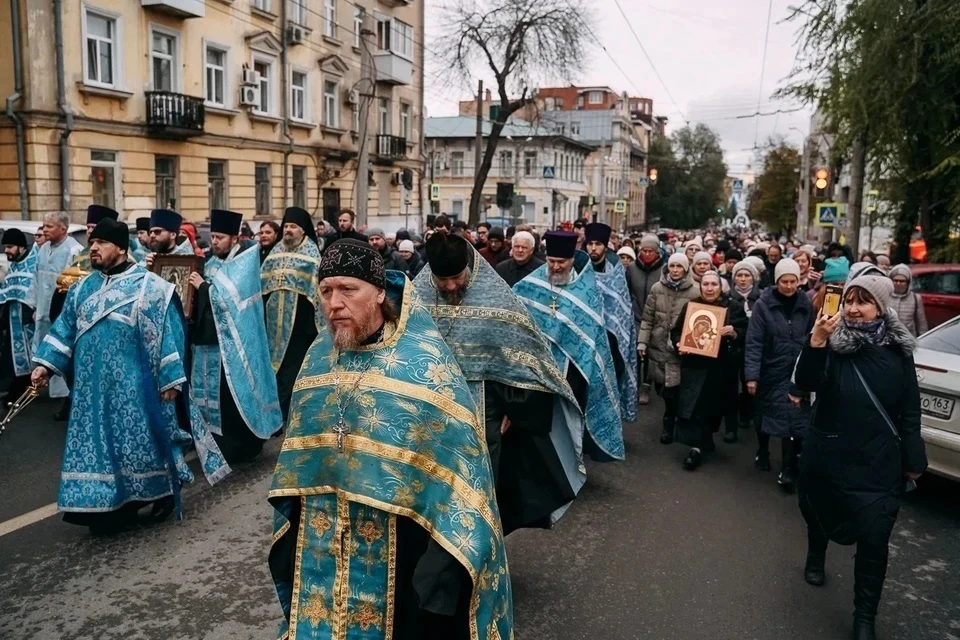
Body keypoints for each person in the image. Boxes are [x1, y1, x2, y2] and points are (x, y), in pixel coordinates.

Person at [268, 239, 513, 639]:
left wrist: (437, 575)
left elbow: (459, 476)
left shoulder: (424, 361)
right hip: (321, 540)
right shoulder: (317, 356)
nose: (334, 303)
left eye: (348, 290)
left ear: (380, 292)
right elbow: (300, 454)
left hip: (401, 549)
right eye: (326, 290)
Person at [31, 219, 229, 534]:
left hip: (134, 393)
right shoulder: (83, 288)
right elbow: (64, 330)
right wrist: (45, 364)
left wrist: (170, 381)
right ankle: (101, 508)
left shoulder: (151, 289)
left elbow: (169, 335)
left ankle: (159, 494)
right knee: (97, 451)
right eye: (91, 243)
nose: (93, 248)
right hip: (89, 394)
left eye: (101, 243)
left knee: (140, 450)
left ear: (121, 248)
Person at [413, 232, 586, 533]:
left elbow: (524, 354)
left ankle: (483, 556)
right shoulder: (416, 298)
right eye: (444, 281)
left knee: (482, 490)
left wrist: (516, 407)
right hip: (429, 413)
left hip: (486, 414)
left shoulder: (497, 298)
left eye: (457, 277)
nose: (452, 286)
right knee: (432, 491)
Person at [793, 274, 926, 640]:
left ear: (880, 307)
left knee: (875, 537)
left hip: (878, 461)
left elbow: (910, 410)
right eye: (849, 300)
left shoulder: (898, 351)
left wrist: (914, 460)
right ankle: (815, 555)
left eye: (862, 301)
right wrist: (817, 341)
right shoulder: (831, 343)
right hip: (831, 453)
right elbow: (804, 384)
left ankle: (864, 617)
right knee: (820, 510)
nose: (852, 308)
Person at [513, 230, 626, 462]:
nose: (555, 267)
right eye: (551, 261)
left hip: (573, 367)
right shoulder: (530, 284)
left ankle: (570, 464)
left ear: (571, 259)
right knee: (540, 420)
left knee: (568, 418)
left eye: (561, 262)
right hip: (539, 367)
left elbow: (593, 330)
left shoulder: (585, 287)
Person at [189, 210, 282, 463]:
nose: (215, 242)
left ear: (234, 238)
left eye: (220, 237)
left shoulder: (245, 261)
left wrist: (204, 287)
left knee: (234, 396)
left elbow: (229, 300)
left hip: (237, 344)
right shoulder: (210, 263)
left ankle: (244, 446)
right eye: (213, 237)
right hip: (211, 343)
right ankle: (217, 445)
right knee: (215, 397)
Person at [744, 258, 815, 488]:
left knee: (793, 420)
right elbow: (754, 341)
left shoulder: (805, 305)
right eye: (784, 281)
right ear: (777, 281)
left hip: (796, 370)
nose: (788, 285)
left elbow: (813, 337)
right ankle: (763, 449)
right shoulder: (764, 305)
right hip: (770, 370)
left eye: (793, 281)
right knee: (765, 414)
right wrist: (752, 375)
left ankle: (787, 470)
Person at [670, 271, 747, 469]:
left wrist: (734, 332)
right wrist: (680, 342)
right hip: (695, 366)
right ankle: (696, 448)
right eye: (706, 284)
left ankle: (705, 439)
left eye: (714, 284)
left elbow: (746, 332)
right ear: (700, 286)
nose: (710, 288)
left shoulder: (733, 307)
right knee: (695, 407)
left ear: (720, 287)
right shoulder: (691, 306)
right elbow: (677, 331)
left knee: (714, 408)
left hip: (721, 368)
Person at [261, 206, 321, 420]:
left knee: (292, 373)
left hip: (300, 329)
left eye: (293, 226)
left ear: (303, 230)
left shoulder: (312, 254)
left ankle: (289, 416)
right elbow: (262, 284)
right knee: (274, 372)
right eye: (286, 226)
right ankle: (274, 415)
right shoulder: (275, 252)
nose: (288, 230)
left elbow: (317, 293)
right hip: (272, 326)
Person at [638, 253, 699, 444]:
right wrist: (642, 342)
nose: (675, 270)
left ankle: (670, 422)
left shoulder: (695, 291)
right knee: (662, 387)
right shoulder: (657, 288)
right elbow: (647, 318)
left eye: (679, 267)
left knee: (676, 389)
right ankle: (671, 414)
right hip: (658, 344)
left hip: (680, 349)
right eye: (672, 266)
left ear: (686, 269)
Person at [582, 222, 637, 422]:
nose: (593, 248)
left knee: (609, 384)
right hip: (585, 335)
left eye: (597, 244)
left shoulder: (616, 271)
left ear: (605, 246)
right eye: (590, 244)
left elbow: (622, 304)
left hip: (611, 337)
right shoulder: (578, 268)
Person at [33, 211, 83, 407]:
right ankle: (44, 383)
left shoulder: (74, 250)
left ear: (63, 229)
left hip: (62, 308)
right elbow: (36, 277)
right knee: (45, 343)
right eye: (44, 226)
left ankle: (65, 397)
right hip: (43, 304)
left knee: (62, 347)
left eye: (49, 226)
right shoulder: (43, 248)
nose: (45, 230)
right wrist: (35, 305)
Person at [626, 233, 665, 406]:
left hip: (656, 318)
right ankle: (636, 385)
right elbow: (627, 291)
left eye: (651, 251)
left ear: (658, 252)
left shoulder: (664, 269)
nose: (647, 254)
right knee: (636, 352)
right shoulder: (632, 268)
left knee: (650, 353)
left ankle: (647, 385)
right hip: (636, 315)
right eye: (644, 250)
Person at [0, 229, 37, 401]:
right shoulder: (14, 265)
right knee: (13, 355)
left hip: (29, 317)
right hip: (13, 318)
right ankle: (16, 389)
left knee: (30, 353)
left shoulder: (32, 262)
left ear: (21, 247)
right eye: (5, 247)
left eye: (10, 247)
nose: (6, 251)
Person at [729, 260, 762, 438]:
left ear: (753, 278)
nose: (743, 279)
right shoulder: (728, 296)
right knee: (732, 383)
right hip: (733, 346)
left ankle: (746, 413)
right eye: (739, 276)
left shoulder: (761, 297)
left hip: (753, 346)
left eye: (746, 275)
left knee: (750, 380)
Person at [888, 264, 928, 336]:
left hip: (908, 337)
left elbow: (921, 322)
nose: (898, 283)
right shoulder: (885, 295)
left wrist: (923, 339)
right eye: (895, 280)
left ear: (908, 282)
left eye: (902, 281)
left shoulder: (915, 298)